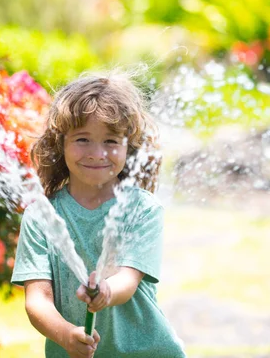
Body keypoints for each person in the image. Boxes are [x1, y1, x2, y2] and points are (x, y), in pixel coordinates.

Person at [11, 74, 186, 358]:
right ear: (61, 144)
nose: (97, 153)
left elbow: (127, 282)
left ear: (128, 147)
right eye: (82, 139)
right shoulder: (41, 216)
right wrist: (66, 335)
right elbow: (37, 300)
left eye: (111, 140)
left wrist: (104, 290)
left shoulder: (141, 210)